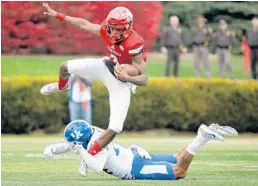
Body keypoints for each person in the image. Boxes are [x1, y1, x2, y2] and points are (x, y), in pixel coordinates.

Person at [40, 3, 148, 157]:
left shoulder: (134, 42)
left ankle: (89, 154)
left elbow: (144, 78)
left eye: (120, 29)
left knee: (115, 127)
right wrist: (58, 15)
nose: (115, 32)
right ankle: (62, 85)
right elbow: (84, 24)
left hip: (122, 80)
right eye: (113, 28)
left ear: (128, 28)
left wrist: (127, 77)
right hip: (107, 66)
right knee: (65, 67)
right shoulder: (106, 28)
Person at [44, 120, 238, 180]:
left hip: (134, 167)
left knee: (179, 172)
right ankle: (203, 135)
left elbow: (95, 166)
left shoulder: (96, 145)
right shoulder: (93, 132)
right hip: (132, 155)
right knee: (174, 157)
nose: (73, 145)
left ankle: (201, 137)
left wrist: (80, 152)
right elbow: (71, 144)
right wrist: (52, 149)